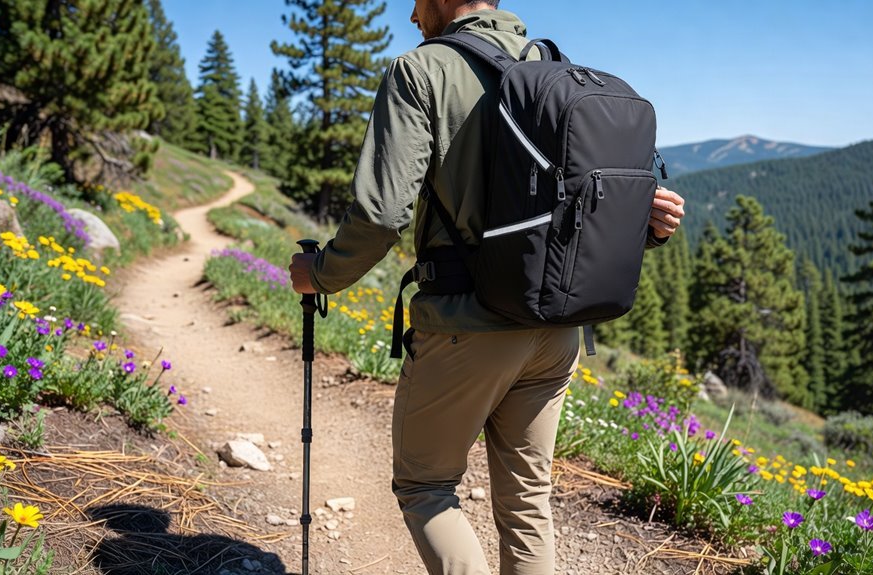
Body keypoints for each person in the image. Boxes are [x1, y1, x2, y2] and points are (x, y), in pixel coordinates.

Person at [289, 1, 686, 573]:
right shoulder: (552, 67)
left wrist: (321, 273)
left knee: (426, 487)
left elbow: (380, 218)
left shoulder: (421, 70)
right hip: (556, 328)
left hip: (466, 326)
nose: (411, 14)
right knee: (528, 504)